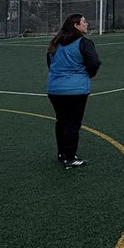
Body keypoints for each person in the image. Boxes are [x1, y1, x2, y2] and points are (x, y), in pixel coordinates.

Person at [47, 13, 101, 169]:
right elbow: (95, 62)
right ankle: (70, 158)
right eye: (84, 22)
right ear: (76, 25)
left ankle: (62, 153)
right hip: (75, 90)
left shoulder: (55, 42)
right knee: (72, 123)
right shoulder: (84, 43)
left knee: (61, 121)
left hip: (55, 89)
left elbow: (49, 63)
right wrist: (88, 74)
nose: (87, 24)